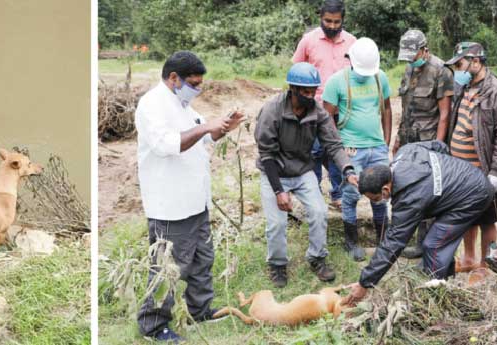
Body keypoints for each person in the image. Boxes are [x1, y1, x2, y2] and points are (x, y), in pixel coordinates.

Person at [135, 51, 245, 343]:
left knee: (201, 260)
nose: (197, 88)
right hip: (170, 205)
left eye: (199, 84)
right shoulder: (152, 105)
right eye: (193, 83)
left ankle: (201, 309)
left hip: (196, 201)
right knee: (168, 267)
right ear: (174, 78)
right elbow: (168, 145)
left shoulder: (183, 104)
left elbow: (206, 136)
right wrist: (205, 127)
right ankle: (154, 325)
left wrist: (222, 127)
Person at [345, 141, 494, 302]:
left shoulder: (409, 199)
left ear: (385, 190)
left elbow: (393, 243)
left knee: (434, 244)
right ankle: (445, 275)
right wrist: (447, 175)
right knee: (438, 236)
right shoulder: (405, 152)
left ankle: (436, 295)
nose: (376, 202)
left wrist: (364, 282)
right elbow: (439, 146)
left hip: (472, 195)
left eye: (375, 199)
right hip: (470, 176)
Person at [255, 62, 356, 288]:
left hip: (302, 170)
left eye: (313, 91)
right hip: (274, 172)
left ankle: (317, 258)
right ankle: (278, 264)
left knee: (319, 212)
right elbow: (266, 154)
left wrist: (348, 170)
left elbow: (334, 144)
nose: (310, 96)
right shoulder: (272, 110)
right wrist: (279, 191)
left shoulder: (317, 111)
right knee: (276, 223)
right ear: (293, 89)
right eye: (305, 92)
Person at [444, 42, 497, 275]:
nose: (457, 69)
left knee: (486, 219)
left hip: (481, 169)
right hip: (460, 170)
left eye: (460, 63)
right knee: (466, 217)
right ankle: (469, 257)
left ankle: (485, 264)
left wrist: (496, 171)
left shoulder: (495, 89)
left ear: (476, 62)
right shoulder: (464, 86)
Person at [322, 37, 392, 261]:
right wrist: (340, 148)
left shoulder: (380, 78)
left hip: (377, 148)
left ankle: (383, 242)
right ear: (350, 60)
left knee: (380, 195)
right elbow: (327, 118)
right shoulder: (336, 82)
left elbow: (387, 109)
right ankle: (351, 243)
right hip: (352, 150)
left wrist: (385, 142)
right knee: (351, 195)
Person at [394, 29, 454, 259]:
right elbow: (406, 107)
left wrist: (438, 147)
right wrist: (399, 139)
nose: (410, 58)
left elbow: (444, 115)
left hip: (429, 141)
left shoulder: (441, 71)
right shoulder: (409, 69)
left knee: (428, 192)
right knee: (410, 188)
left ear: (424, 49)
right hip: (409, 140)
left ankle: (427, 245)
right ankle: (409, 239)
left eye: (414, 54)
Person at [293, 0, 356, 208]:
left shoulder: (352, 42)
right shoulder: (308, 41)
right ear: (320, 17)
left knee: (338, 151)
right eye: (327, 21)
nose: (331, 26)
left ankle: (338, 194)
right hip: (313, 108)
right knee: (314, 152)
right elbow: (296, 73)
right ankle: (314, 195)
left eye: (336, 22)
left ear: (342, 20)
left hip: (343, 111)